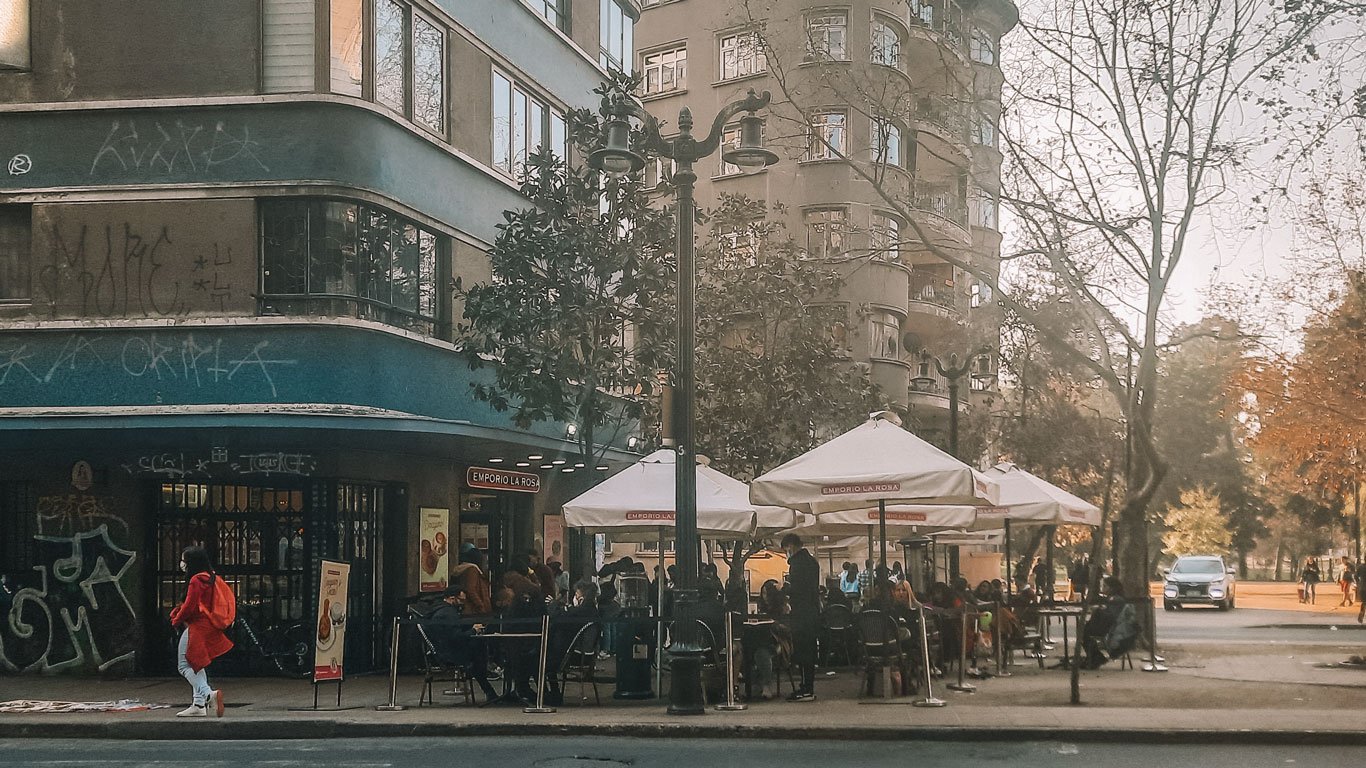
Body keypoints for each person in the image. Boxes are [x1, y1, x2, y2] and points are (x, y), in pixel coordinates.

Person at [169, 546, 232, 718]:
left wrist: (176, 619)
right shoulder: (212, 578)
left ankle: (208, 694)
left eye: (183, 559)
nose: (181, 563)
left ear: (191, 562)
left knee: (183, 665)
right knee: (196, 662)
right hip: (209, 625)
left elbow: (190, 605)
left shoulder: (196, 580)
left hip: (197, 626)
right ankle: (198, 704)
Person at [425, 585, 499, 702]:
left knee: (477, 649)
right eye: (461, 600)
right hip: (450, 653)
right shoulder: (448, 613)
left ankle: (489, 690)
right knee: (479, 648)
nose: (463, 603)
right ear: (452, 598)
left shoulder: (441, 610)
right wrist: (473, 630)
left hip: (443, 650)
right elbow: (456, 636)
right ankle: (489, 678)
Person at [781, 533, 820, 701]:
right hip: (811, 613)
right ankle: (807, 686)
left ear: (791, 545)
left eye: (786, 549)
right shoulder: (812, 562)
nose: (786, 553)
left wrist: (784, 589)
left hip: (801, 615)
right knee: (809, 650)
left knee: (803, 651)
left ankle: (805, 689)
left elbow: (798, 589)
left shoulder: (798, 564)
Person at [1081, 576, 1138, 669]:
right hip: (1110, 625)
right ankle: (1093, 656)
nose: (1103, 588)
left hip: (1112, 628)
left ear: (1112, 588)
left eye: (1105, 586)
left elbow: (1111, 616)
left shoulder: (1116, 599)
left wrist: (1099, 610)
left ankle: (1096, 657)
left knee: (1084, 632)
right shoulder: (1111, 598)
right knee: (1086, 629)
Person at [450, 548, 493, 616]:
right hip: (473, 609)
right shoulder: (472, 570)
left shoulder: (461, 569)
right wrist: (480, 605)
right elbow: (471, 589)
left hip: (465, 607)